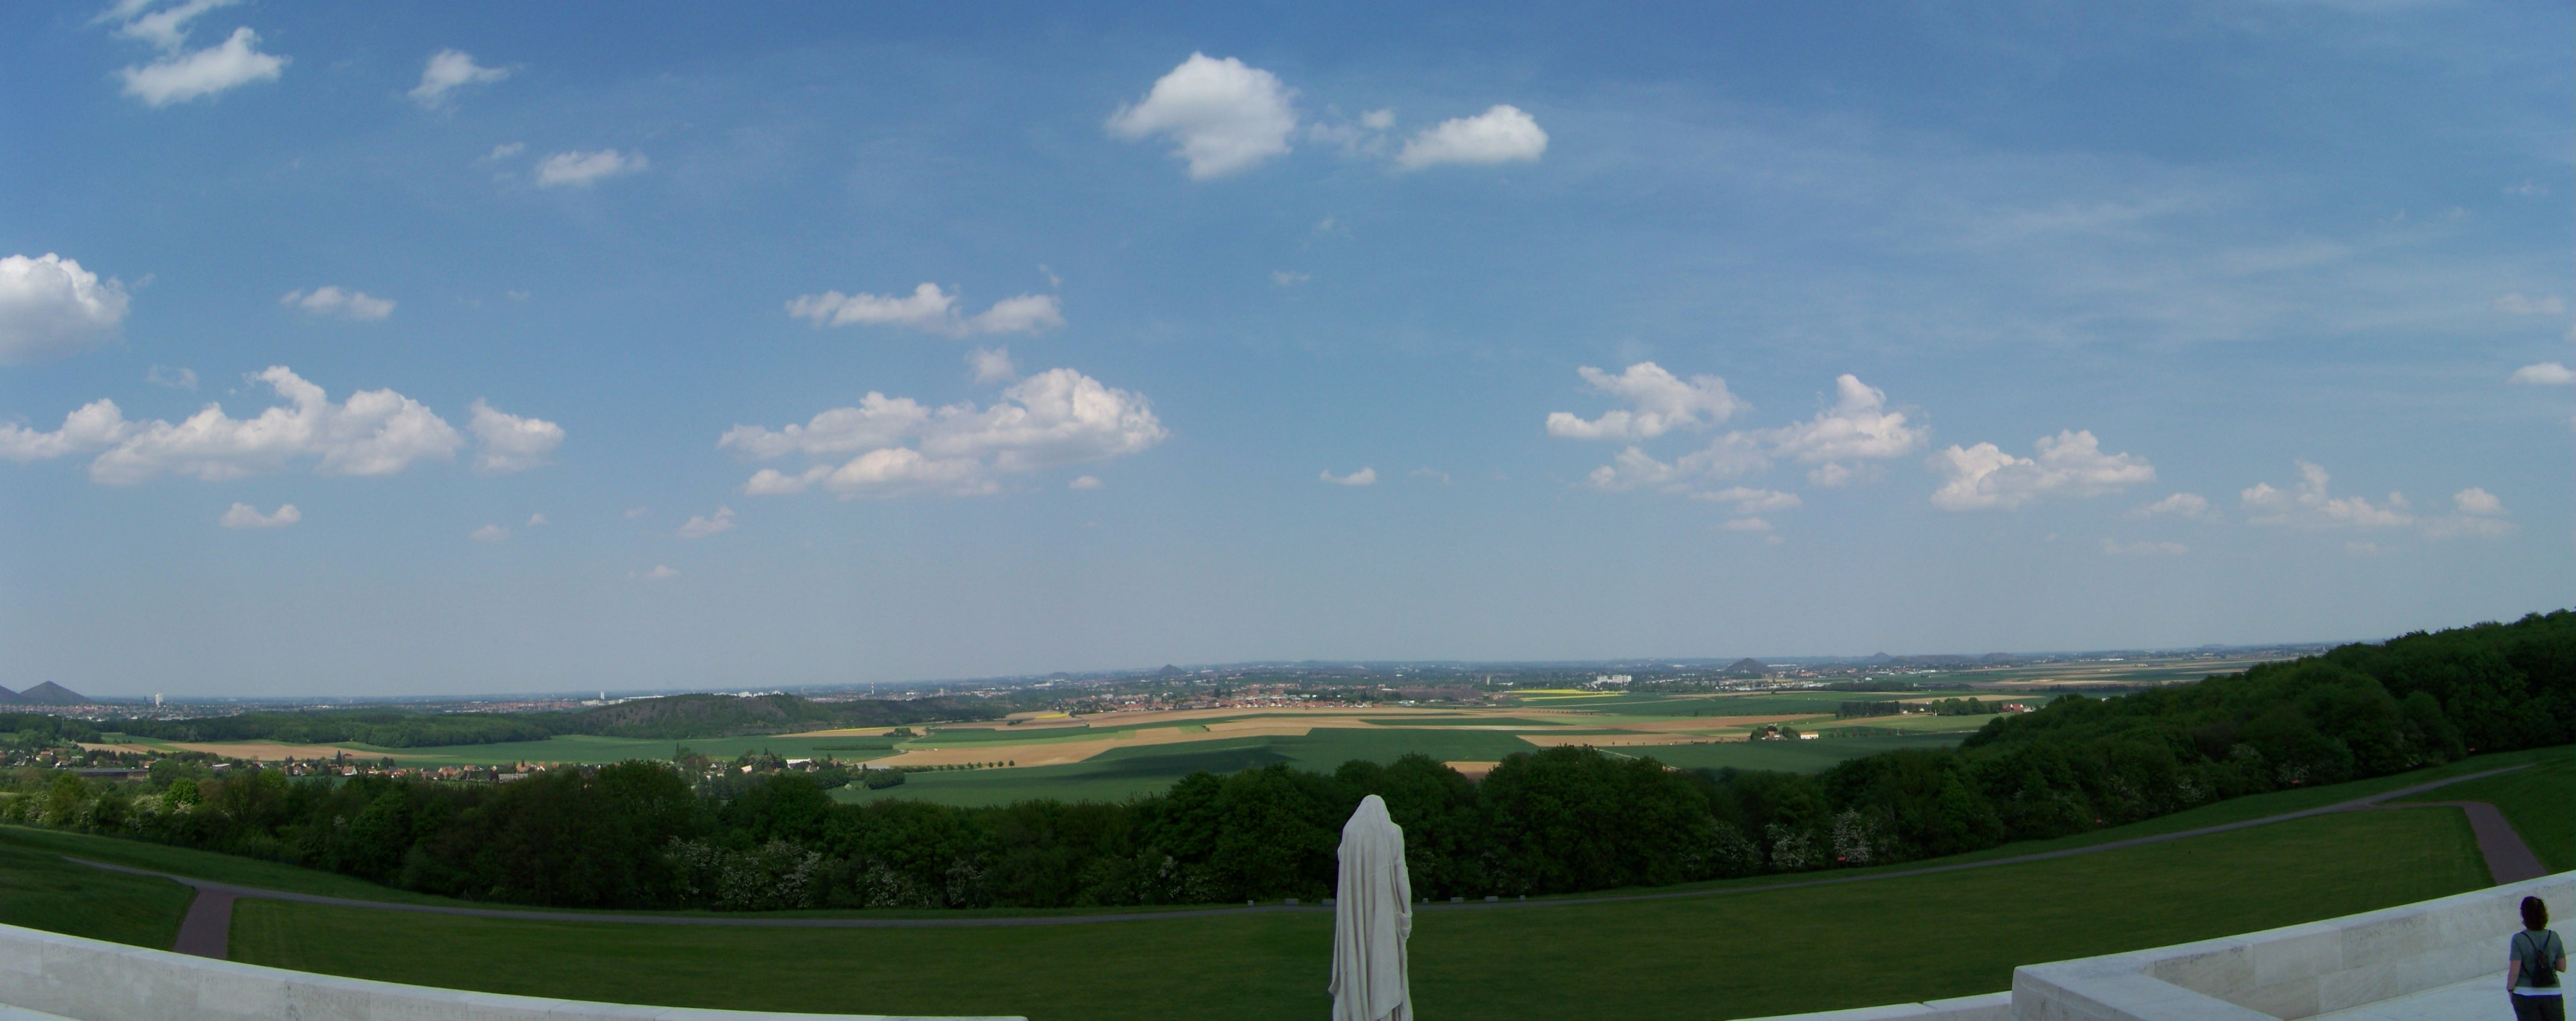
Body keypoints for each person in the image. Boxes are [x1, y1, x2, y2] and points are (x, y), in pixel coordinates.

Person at [2511, 895, 2568, 1021]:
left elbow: (2514, 972)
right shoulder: (2554, 936)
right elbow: (2562, 967)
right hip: (2552, 994)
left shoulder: (2518, 939)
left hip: (2525, 994)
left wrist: (2510, 990)